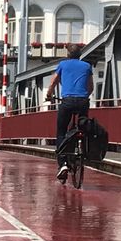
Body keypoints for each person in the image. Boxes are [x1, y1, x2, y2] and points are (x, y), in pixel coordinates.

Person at [44, 44, 93, 181]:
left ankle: (63, 164)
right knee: (84, 126)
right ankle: (82, 148)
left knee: (61, 131)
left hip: (67, 102)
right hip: (83, 101)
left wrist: (49, 95)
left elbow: (54, 81)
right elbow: (91, 86)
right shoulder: (87, 66)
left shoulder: (63, 65)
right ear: (80, 55)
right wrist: (84, 96)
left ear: (68, 54)